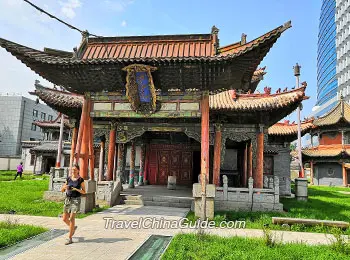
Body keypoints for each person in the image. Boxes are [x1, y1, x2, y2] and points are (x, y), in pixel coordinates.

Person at [61, 164, 86, 245]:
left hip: (76, 200)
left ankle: (70, 238)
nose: (73, 171)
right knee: (64, 219)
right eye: (72, 169)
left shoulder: (80, 180)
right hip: (68, 199)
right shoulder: (68, 178)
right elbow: (62, 190)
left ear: (78, 170)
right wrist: (65, 187)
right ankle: (73, 228)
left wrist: (75, 189)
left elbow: (84, 192)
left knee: (71, 218)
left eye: (75, 169)